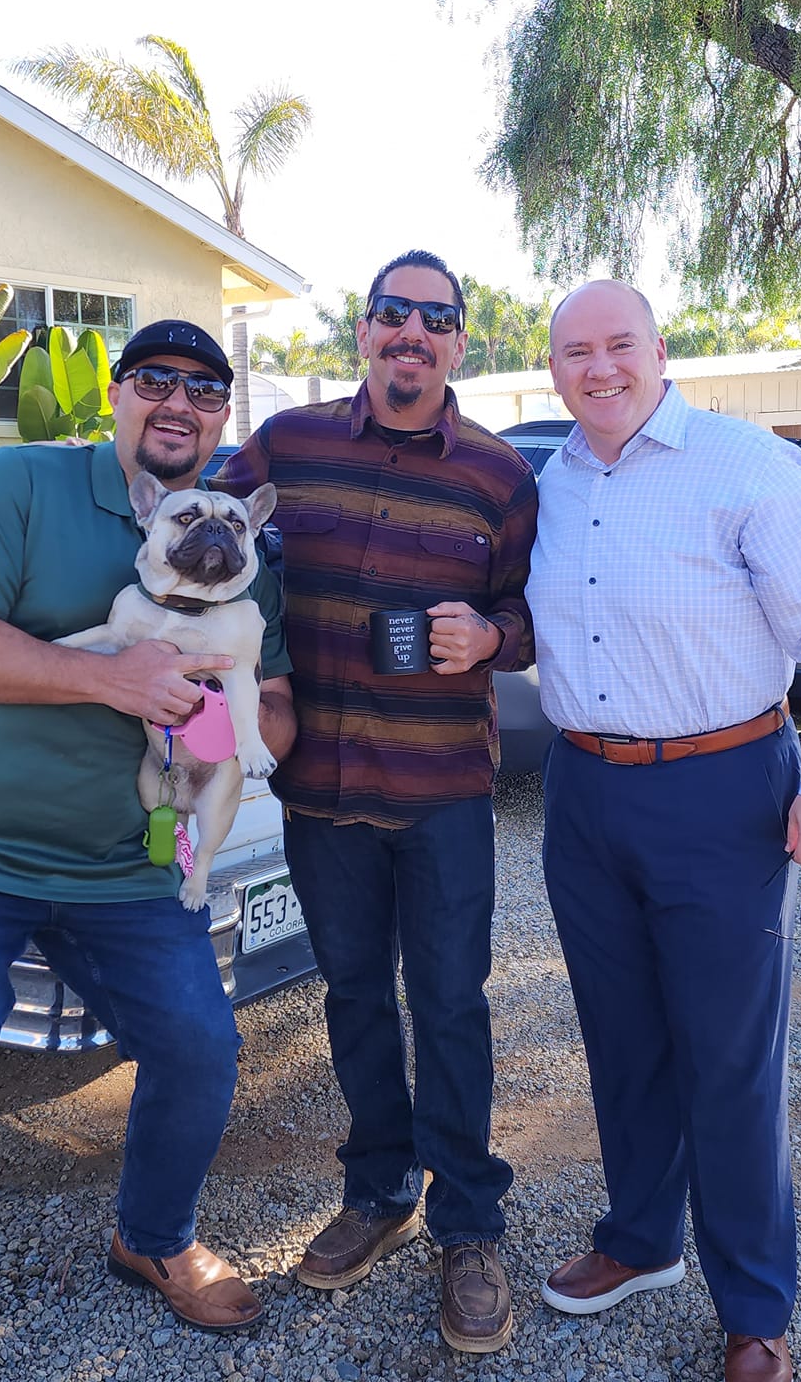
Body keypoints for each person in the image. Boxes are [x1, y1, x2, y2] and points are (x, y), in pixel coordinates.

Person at [0, 320, 297, 1382]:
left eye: (204, 388)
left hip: (119, 864)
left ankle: (153, 1237)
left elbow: (272, 709)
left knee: (199, 1047)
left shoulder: (237, 555)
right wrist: (111, 677)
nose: (178, 402)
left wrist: (222, 725)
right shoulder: (20, 484)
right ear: (116, 393)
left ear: (222, 418)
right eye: (156, 380)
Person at [526, 280, 801, 1382]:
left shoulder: (742, 465)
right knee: (621, 1036)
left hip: (722, 788)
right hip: (583, 791)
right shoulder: (552, 482)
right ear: (554, 369)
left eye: (618, 345)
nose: (599, 368)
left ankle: (755, 1309)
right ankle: (640, 1240)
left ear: (658, 350)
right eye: (575, 352)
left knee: (729, 1060)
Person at [213, 250, 537, 1354]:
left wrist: (490, 636)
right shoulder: (286, 445)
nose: (412, 333)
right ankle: (378, 1191)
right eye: (393, 312)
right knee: (354, 996)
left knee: (449, 1002)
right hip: (323, 789)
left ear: (459, 343)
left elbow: (532, 614)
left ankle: (468, 1225)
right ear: (363, 331)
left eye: (435, 319)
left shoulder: (499, 477)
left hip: (442, 790)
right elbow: (199, 535)